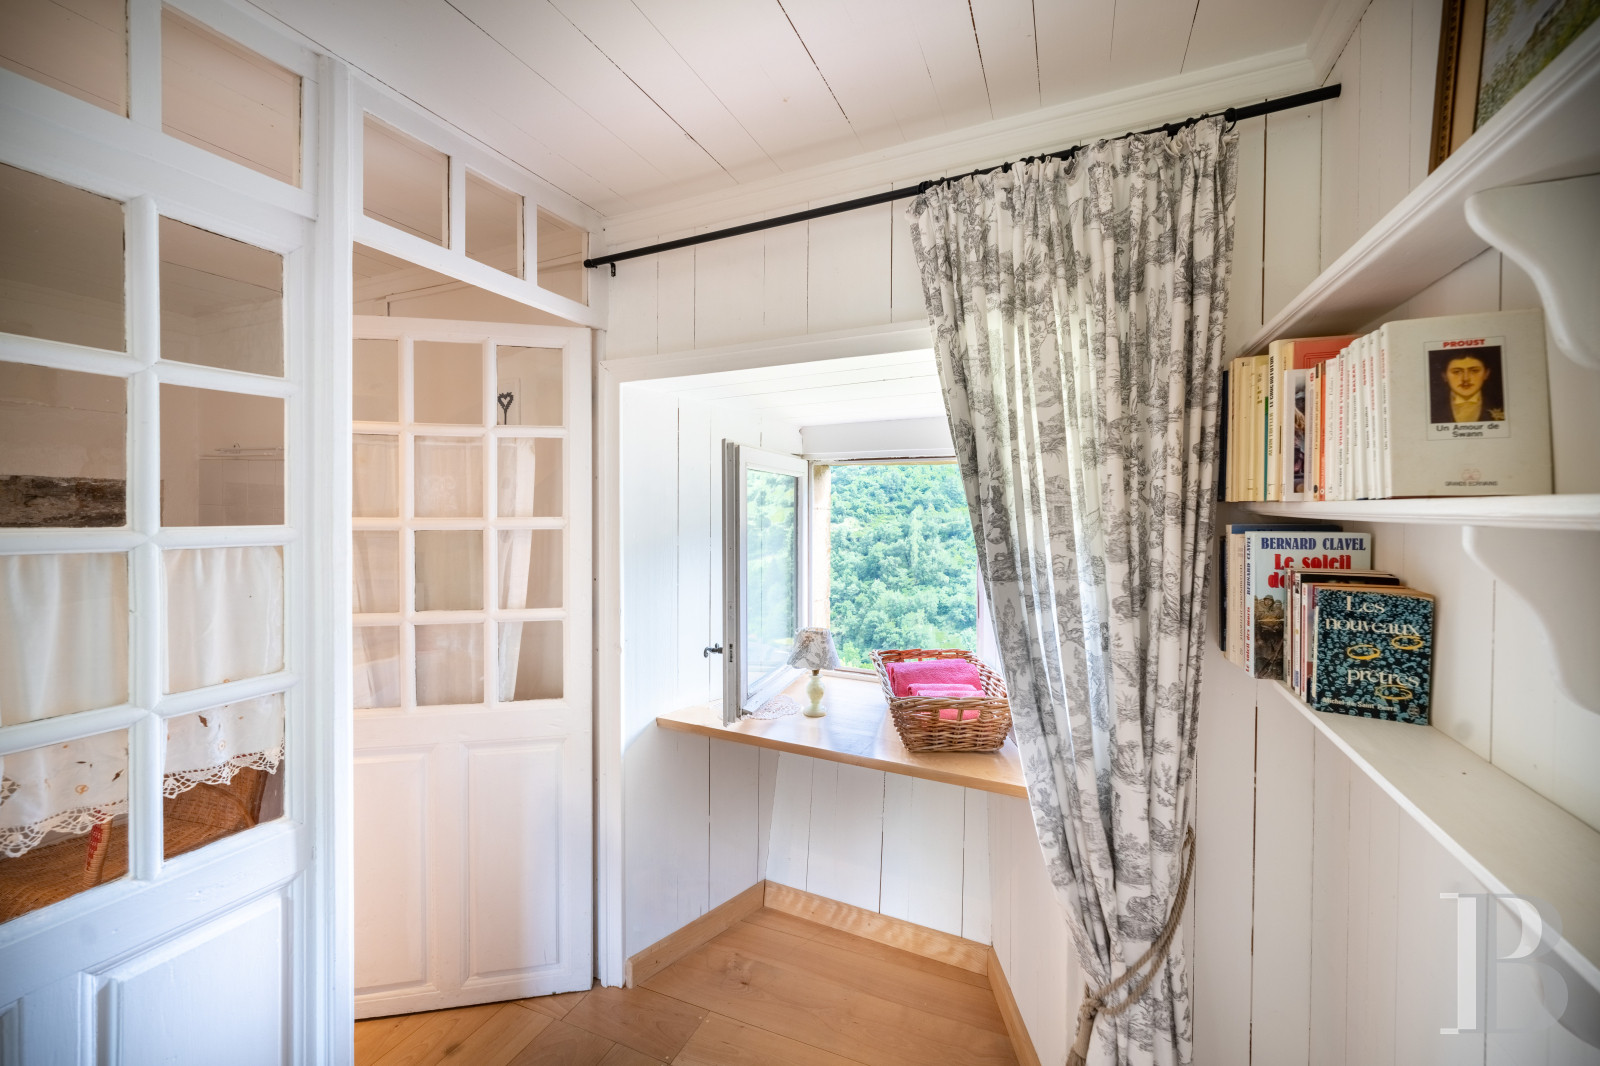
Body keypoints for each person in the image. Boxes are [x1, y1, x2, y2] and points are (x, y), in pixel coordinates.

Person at [1439, 352, 1504, 422]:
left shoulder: (1501, 405)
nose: (1466, 379)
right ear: (1444, 376)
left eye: (1474, 371)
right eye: (1456, 372)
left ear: (1486, 374)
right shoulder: (1433, 408)